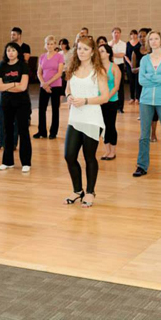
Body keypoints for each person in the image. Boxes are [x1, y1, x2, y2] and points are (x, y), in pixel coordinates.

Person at [63, 36, 109, 208]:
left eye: (85, 49)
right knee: (69, 155)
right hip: (75, 118)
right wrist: (68, 97)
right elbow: (68, 88)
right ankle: (77, 190)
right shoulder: (72, 68)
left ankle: (90, 192)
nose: (81, 52)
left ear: (92, 52)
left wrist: (86, 101)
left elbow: (104, 97)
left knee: (89, 157)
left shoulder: (99, 71)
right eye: (79, 48)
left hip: (92, 118)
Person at [133, 31, 161, 179]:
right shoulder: (145, 59)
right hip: (145, 100)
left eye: (156, 39)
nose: (153, 41)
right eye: (150, 39)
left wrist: (149, 76)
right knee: (144, 135)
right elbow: (141, 81)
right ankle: (142, 165)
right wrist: (157, 76)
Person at [0, 42, 32, 172]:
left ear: (18, 52)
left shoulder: (23, 65)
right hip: (7, 103)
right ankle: (7, 161)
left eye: (13, 50)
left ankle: (26, 162)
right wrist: (14, 84)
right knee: (7, 131)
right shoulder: (2, 65)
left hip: (22, 103)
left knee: (23, 131)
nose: (10, 53)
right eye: (8, 50)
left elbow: (23, 87)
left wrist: (7, 86)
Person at [35, 35, 64, 139]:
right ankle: (41, 131)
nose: (50, 46)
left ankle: (53, 132)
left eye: (52, 44)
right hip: (44, 86)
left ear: (55, 45)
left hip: (56, 86)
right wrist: (43, 83)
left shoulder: (59, 56)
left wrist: (48, 83)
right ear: (45, 45)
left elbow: (60, 73)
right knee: (41, 109)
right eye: (48, 44)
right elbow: (39, 72)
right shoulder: (42, 56)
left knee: (55, 109)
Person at [98, 44, 121, 160]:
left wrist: (106, 97)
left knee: (110, 125)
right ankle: (106, 150)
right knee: (102, 126)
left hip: (111, 100)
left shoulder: (114, 68)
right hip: (98, 101)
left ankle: (113, 151)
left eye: (102, 51)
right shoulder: (96, 67)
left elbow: (116, 86)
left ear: (108, 53)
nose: (99, 53)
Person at [109, 27, 126, 113]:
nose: (116, 34)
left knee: (120, 86)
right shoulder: (108, 44)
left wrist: (112, 54)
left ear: (120, 34)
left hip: (120, 65)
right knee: (111, 85)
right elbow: (107, 55)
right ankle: (113, 105)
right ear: (112, 34)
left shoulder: (123, 43)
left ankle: (120, 107)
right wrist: (111, 47)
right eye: (114, 32)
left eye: (118, 32)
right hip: (111, 66)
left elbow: (122, 55)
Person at [125, 30, 140, 104]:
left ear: (137, 35)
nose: (133, 36)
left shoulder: (139, 43)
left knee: (137, 81)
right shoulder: (127, 43)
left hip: (138, 65)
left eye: (135, 34)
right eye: (132, 34)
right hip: (129, 65)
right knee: (131, 81)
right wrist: (130, 63)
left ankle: (137, 98)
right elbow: (125, 55)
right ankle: (132, 98)